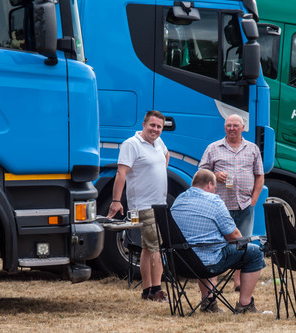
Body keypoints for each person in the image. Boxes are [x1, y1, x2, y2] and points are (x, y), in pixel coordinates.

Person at [170, 169, 266, 313]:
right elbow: (234, 236)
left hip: (179, 263)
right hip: (207, 264)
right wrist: (243, 240)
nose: (215, 191)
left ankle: (208, 303)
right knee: (255, 252)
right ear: (209, 184)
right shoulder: (214, 201)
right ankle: (245, 305)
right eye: (215, 188)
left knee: (206, 248)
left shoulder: (179, 199)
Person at [107, 110, 169, 302]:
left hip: (159, 204)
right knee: (157, 246)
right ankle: (156, 291)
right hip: (144, 206)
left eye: (159, 127)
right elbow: (121, 173)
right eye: (152, 125)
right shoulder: (131, 144)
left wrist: (158, 173)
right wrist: (116, 201)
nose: (155, 129)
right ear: (143, 125)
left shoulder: (158, 143)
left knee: (147, 248)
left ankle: (147, 290)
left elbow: (166, 156)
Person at [199, 114, 264, 291]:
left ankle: (238, 283)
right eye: (229, 125)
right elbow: (201, 173)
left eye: (236, 125)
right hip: (219, 207)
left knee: (243, 245)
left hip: (244, 205)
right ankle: (213, 283)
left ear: (243, 128)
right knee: (215, 244)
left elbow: (260, 175)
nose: (232, 128)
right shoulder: (213, 148)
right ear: (224, 127)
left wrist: (253, 200)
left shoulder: (252, 149)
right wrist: (214, 175)